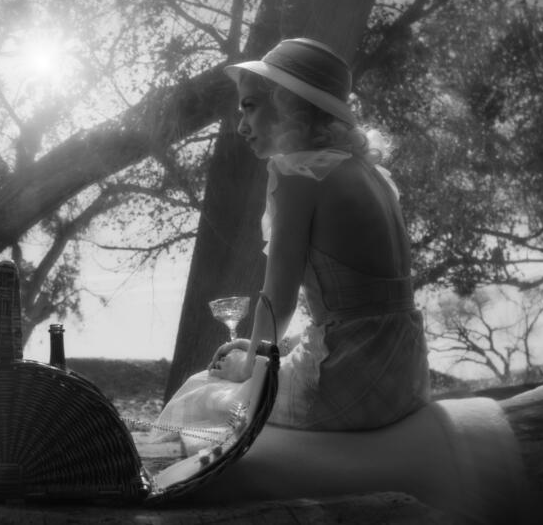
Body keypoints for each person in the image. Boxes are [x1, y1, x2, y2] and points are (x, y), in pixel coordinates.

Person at [155, 38, 429, 435]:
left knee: (200, 394)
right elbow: (363, 308)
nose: (241, 125)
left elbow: (278, 298)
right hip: (407, 371)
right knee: (222, 381)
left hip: (350, 379)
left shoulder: (299, 173)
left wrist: (248, 365)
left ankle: (149, 489)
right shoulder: (372, 175)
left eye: (250, 106)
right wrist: (261, 351)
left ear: (289, 104)